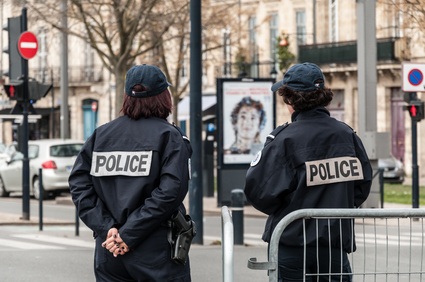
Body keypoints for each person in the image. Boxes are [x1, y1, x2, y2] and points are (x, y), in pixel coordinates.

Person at [244, 62, 372, 281]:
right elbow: (362, 186)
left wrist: (289, 208)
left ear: (290, 99)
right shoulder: (347, 135)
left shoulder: (284, 139)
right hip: (334, 246)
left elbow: (259, 192)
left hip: (292, 244)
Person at [69, 64, 193, 282]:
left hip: (109, 250)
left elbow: (79, 185)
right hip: (156, 250)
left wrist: (107, 228)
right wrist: (129, 234)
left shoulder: (101, 136)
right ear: (163, 97)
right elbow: (170, 193)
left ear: (127, 97)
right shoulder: (170, 137)